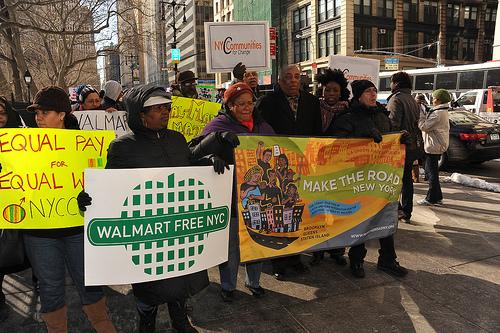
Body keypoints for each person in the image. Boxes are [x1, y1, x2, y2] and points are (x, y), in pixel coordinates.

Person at [78, 84, 226, 333]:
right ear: (140, 115)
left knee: (180, 276)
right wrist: (88, 198)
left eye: (166, 107)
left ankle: (181, 321)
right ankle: (146, 323)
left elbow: (188, 166)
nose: (165, 112)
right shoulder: (123, 147)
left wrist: (209, 162)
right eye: (157, 108)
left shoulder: (177, 139)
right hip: (146, 232)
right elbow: (109, 186)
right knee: (149, 284)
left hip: (176, 226)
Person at [23, 87, 116, 333]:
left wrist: (91, 195)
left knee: (89, 279)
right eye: (36, 114)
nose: (38, 118)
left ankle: (101, 322)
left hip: (77, 226)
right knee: (49, 286)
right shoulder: (24, 147)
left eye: (44, 112)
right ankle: (56, 328)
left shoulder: (84, 144)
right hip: (39, 232)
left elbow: (102, 179)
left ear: (62, 114)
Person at [189, 82, 275, 302]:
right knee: (231, 247)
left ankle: (253, 282)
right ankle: (228, 285)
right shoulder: (217, 126)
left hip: (259, 198)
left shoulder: (263, 126)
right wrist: (211, 157)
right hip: (230, 196)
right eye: (241, 104)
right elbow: (193, 153)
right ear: (230, 106)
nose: (247, 107)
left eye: (250, 102)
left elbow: (278, 148)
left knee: (257, 241)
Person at [329, 80, 408, 279]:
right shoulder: (346, 118)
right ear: (357, 96)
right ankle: (356, 261)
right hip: (357, 181)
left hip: (381, 179)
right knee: (360, 222)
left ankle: (388, 260)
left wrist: (401, 139)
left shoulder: (382, 115)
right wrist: (359, 136)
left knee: (387, 220)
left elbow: (390, 140)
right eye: (367, 91)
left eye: (374, 90)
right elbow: (333, 147)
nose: (373, 94)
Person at [256, 64, 322, 280]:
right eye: (288, 77)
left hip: (303, 166)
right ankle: (279, 261)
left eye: (296, 77)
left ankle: (296, 257)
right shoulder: (267, 102)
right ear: (280, 81)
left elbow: (317, 133)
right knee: (279, 213)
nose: (293, 81)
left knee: (299, 213)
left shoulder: (312, 102)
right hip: (279, 166)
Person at [310, 68, 350, 266]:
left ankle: (337, 249)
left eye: (334, 90)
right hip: (318, 168)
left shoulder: (349, 110)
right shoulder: (314, 108)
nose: (331, 94)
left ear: (341, 91)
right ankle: (317, 249)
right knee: (319, 210)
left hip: (340, 168)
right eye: (327, 90)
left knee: (338, 212)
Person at [386, 71, 423, 224]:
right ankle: (406, 211)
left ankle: (399, 210)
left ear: (396, 83)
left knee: (392, 180)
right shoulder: (412, 100)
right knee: (407, 180)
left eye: (391, 81)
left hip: (398, 147)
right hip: (411, 146)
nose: (390, 85)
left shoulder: (396, 99)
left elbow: (392, 125)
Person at [417, 89, 451, 206]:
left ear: (439, 100)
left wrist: (420, 115)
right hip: (436, 144)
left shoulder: (438, 113)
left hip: (433, 146)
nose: (432, 99)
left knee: (431, 174)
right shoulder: (440, 111)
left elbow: (424, 126)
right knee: (433, 173)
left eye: (434, 98)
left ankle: (431, 198)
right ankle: (438, 197)